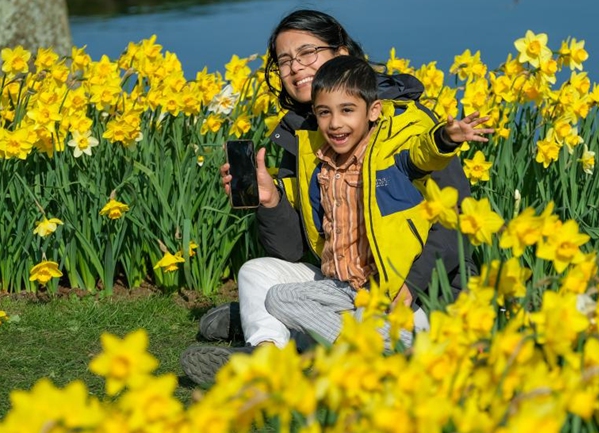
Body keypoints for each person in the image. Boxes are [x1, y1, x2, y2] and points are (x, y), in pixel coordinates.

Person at [180, 9, 479, 385]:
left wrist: (412, 286)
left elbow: (457, 219)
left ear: (341, 55)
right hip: (349, 285)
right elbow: (290, 251)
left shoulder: (407, 124)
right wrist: (270, 202)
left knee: (364, 326)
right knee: (256, 274)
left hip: (416, 290)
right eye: (284, 60)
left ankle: (298, 348)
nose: (295, 68)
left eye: (307, 53)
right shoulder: (305, 136)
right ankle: (269, 353)